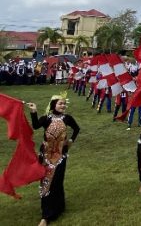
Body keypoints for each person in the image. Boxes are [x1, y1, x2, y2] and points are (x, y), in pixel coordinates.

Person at [27, 95, 80, 226]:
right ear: (53, 105)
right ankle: (46, 216)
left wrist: (71, 140)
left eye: (64, 104)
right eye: (60, 103)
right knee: (46, 183)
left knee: (57, 181)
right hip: (46, 155)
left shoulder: (67, 118)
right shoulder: (46, 118)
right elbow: (35, 126)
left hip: (61, 156)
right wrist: (33, 111)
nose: (63, 106)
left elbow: (77, 129)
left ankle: (59, 207)